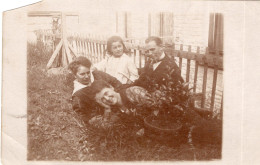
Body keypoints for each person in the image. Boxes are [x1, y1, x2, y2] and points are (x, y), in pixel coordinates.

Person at [68, 56, 122, 123]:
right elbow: (83, 116)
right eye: (82, 74)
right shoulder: (78, 95)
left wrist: (116, 95)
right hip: (108, 116)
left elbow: (116, 83)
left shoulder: (98, 75)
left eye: (88, 72)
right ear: (75, 75)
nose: (87, 76)